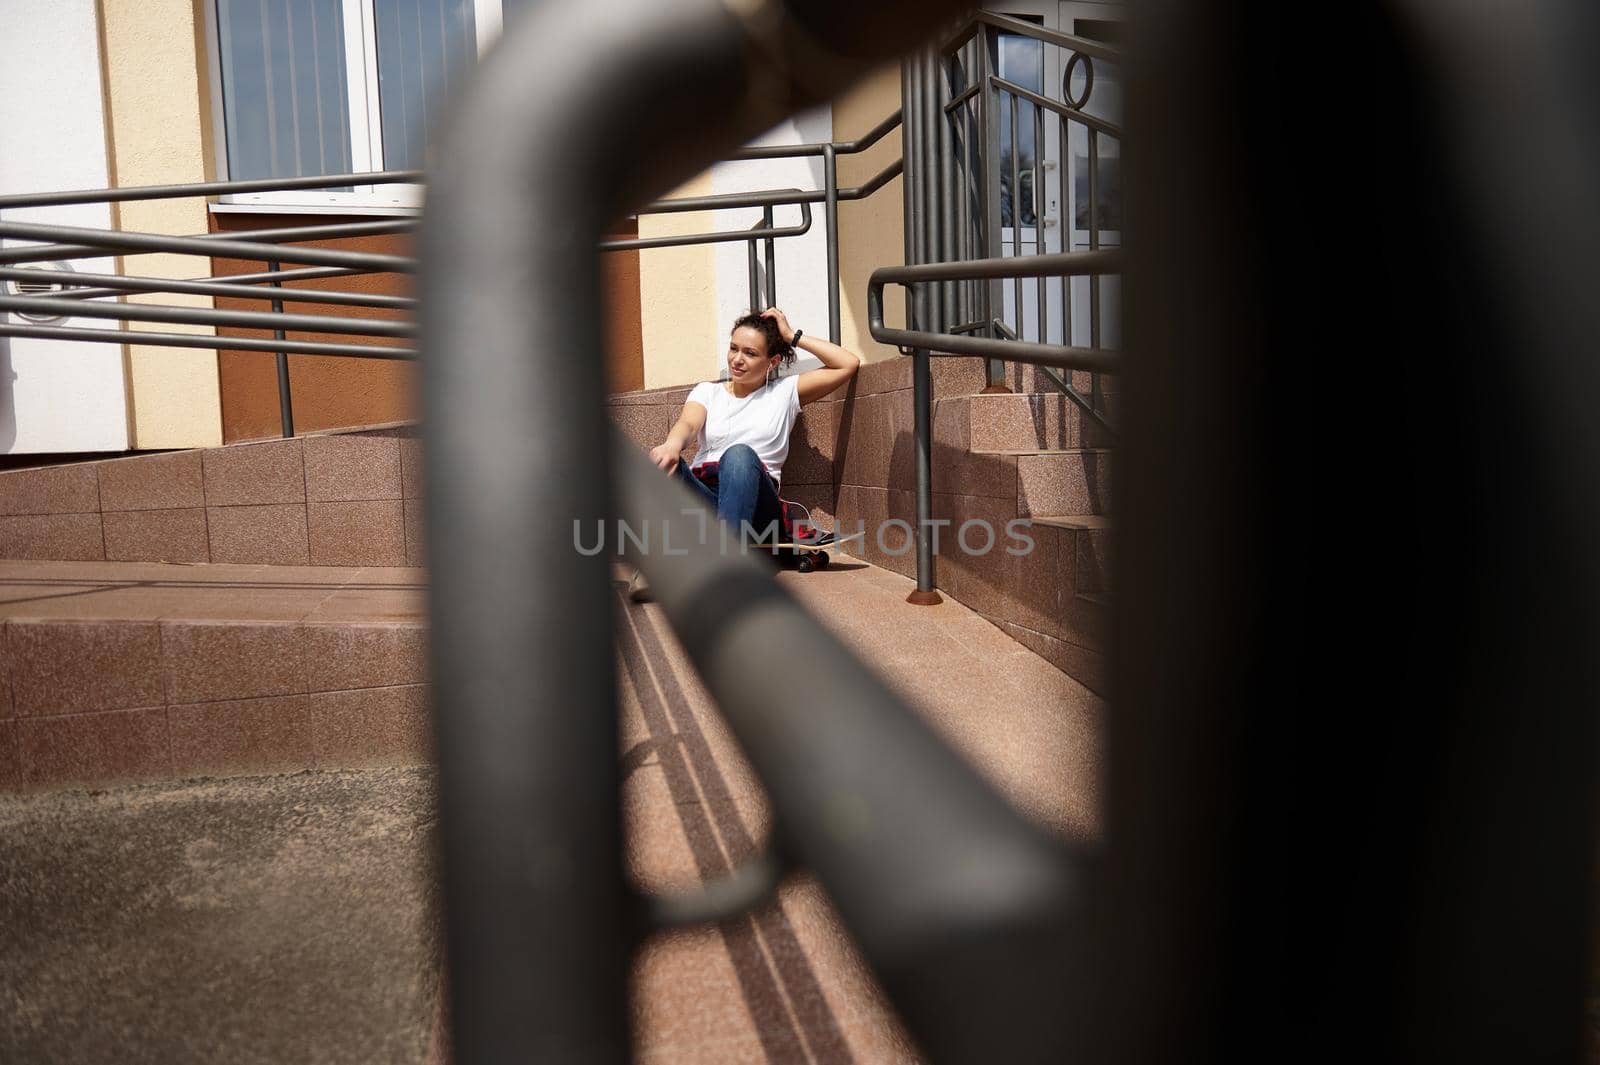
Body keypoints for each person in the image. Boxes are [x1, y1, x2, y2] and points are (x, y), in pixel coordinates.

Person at [630, 308, 861, 599]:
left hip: (757, 507)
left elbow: (848, 364)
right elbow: (687, 424)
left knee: (738, 454)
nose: (737, 359)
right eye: (733, 348)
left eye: (750, 353)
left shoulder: (785, 393)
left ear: (772, 361)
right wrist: (672, 446)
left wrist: (792, 336)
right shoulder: (707, 392)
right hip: (707, 496)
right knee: (666, 465)